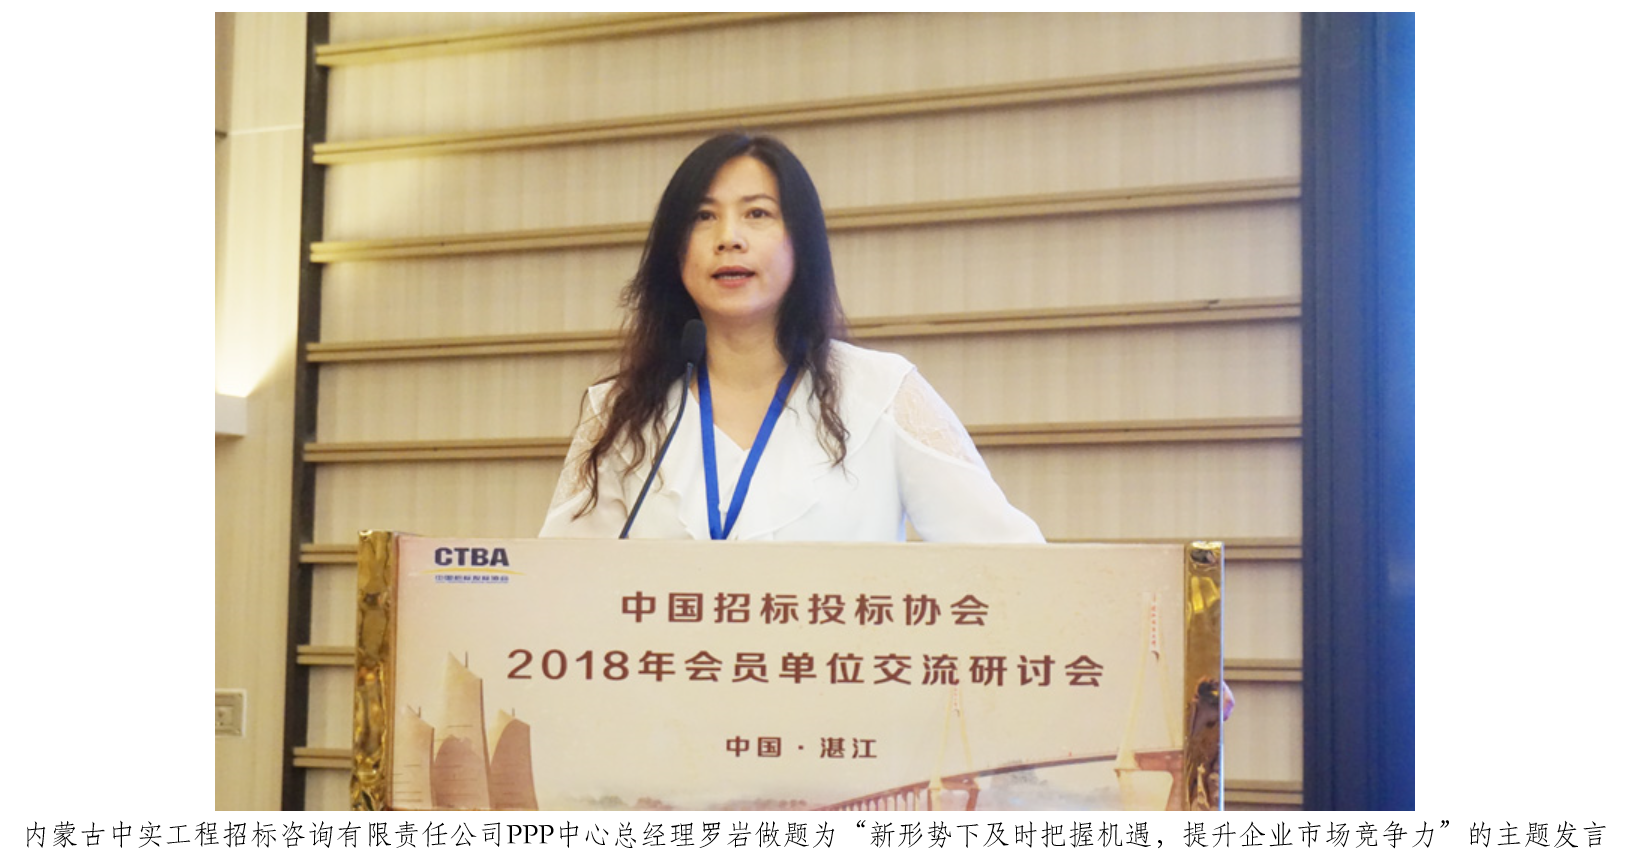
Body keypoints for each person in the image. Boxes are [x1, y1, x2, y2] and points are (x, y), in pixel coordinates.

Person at [539, 132, 1043, 543]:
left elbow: (1010, 564)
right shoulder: (621, 413)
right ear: (675, 251)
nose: (728, 237)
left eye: (757, 214)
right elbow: (559, 589)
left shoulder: (883, 394)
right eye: (702, 217)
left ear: (801, 243)